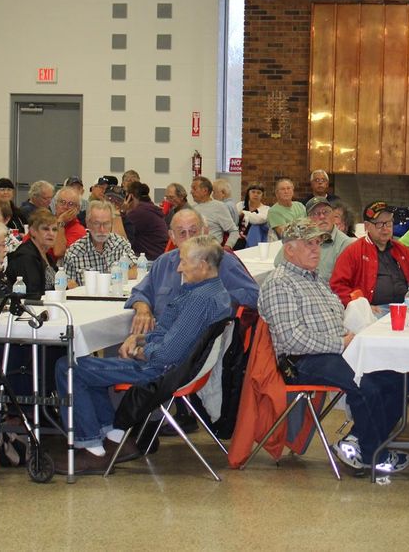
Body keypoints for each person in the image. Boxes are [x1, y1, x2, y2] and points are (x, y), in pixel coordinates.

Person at [55, 235, 232, 474]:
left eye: (183, 262)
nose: (178, 267)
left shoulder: (199, 299)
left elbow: (166, 354)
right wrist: (141, 338)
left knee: (69, 367)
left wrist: (140, 351)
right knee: (88, 369)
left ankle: (92, 449)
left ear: (202, 265)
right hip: (174, 368)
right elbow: (170, 335)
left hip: (160, 371)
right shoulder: (211, 291)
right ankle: (115, 438)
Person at [259, 218, 409, 474]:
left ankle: (357, 441)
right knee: (365, 385)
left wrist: (352, 338)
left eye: (318, 243)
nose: (316, 249)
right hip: (301, 361)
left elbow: (335, 322)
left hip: (333, 351)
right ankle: (373, 456)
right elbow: (291, 338)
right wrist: (341, 343)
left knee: (400, 379)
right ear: (289, 250)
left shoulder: (316, 280)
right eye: (308, 244)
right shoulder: (279, 283)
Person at [127, 209, 258, 335]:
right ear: (172, 236)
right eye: (182, 233)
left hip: (200, 347)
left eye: (193, 231)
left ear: (204, 232)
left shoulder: (222, 261)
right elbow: (140, 292)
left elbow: (254, 296)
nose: (189, 238)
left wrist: (212, 300)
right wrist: (143, 309)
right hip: (160, 339)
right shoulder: (164, 263)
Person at [330, 200, 409, 308]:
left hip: (407, 306)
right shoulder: (354, 251)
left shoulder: (400, 249)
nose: (385, 229)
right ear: (367, 226)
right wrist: (361, 307)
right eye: (379, 224)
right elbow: (337, 286)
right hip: (375, 311)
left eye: (389, 223)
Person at [272, 197, 352, 284]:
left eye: (326, 212)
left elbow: (341, 283)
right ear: (308, 219)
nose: (322, 217)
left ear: (333, 215)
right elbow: (278, 263)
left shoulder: (346, 244)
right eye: (315, 214)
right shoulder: (299, 237)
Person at [63, 200, 136, 287]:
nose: (102, 230)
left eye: (106, 224)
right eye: (96, 224)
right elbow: (68, 285)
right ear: (88, 223)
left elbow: (135, 270)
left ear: (111, 223)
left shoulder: (120, 243)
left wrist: (110, 279)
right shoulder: (74, 252)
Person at [4, 209, 60, 299]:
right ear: (33, 231)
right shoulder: (25, 257)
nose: (51, 233)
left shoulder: (47, 256)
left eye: (54, 229)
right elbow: (32, 293)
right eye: (45, 229)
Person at [125, 182, 169, 260]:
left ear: (130, 197)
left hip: (150, 259)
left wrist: (121, 211)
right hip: (159, 255)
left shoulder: (139, 212)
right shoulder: (150, 207)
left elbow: (120, 235)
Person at [190, 175, 236, 244]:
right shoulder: (193, 209)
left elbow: (234, 231)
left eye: (194, 189)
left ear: (205, 191)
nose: (191, 192)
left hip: (212, 250)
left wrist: (228, 246)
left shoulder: (219, 206)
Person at [50, 186, 86, 257]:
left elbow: (58, 253)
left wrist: (61, 222)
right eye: (62, 202)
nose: (65, 207)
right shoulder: (46, 222)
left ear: (78, 209)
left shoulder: (78, 231)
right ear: (56, 205)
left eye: (71, 204)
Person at [236, 183, 271, 248]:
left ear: (262, 195)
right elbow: (234, 221)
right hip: (237, 239)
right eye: (253, 192)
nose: (255, 194)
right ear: (248, 193)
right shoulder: (240, 205)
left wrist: (244, 213)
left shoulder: (266, 209)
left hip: (254, 242)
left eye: (258, 193)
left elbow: (258, 219)